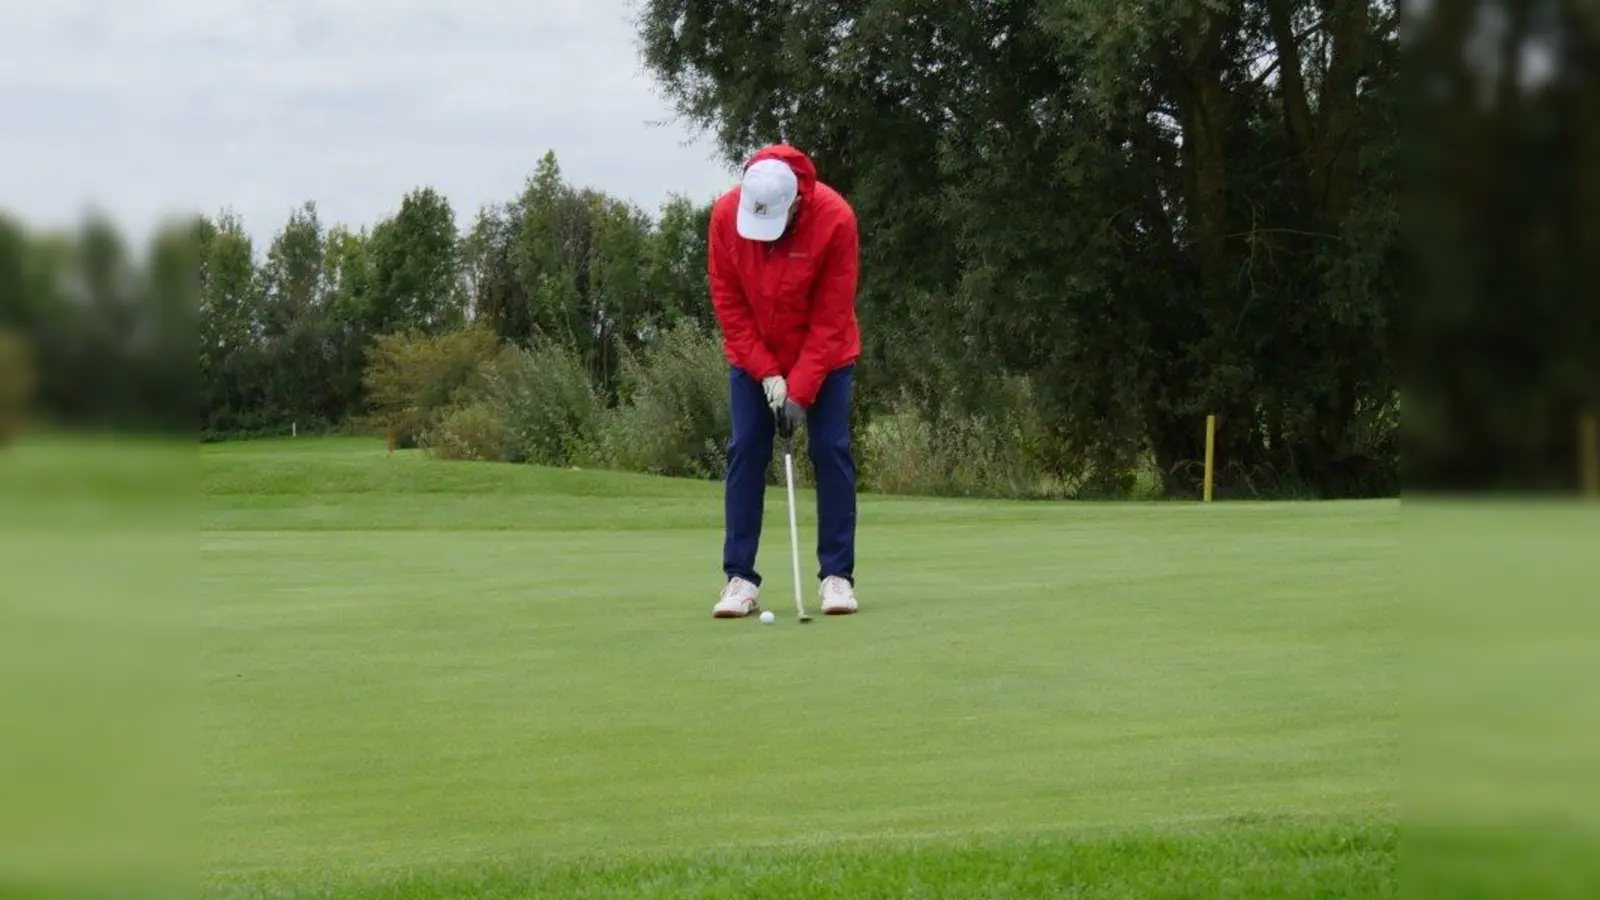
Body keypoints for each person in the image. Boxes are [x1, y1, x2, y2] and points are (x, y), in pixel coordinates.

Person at [705, 144, 862, 619]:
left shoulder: (835, 219)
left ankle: (837, 577)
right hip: (755, 357)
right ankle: (740, 579)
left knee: (829, 448)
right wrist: (768, 372)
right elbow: (729, 304)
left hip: (826, 356)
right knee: (746, 448)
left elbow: (832, 316)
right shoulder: (725, 216)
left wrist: (800, 387)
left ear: (797, 201)